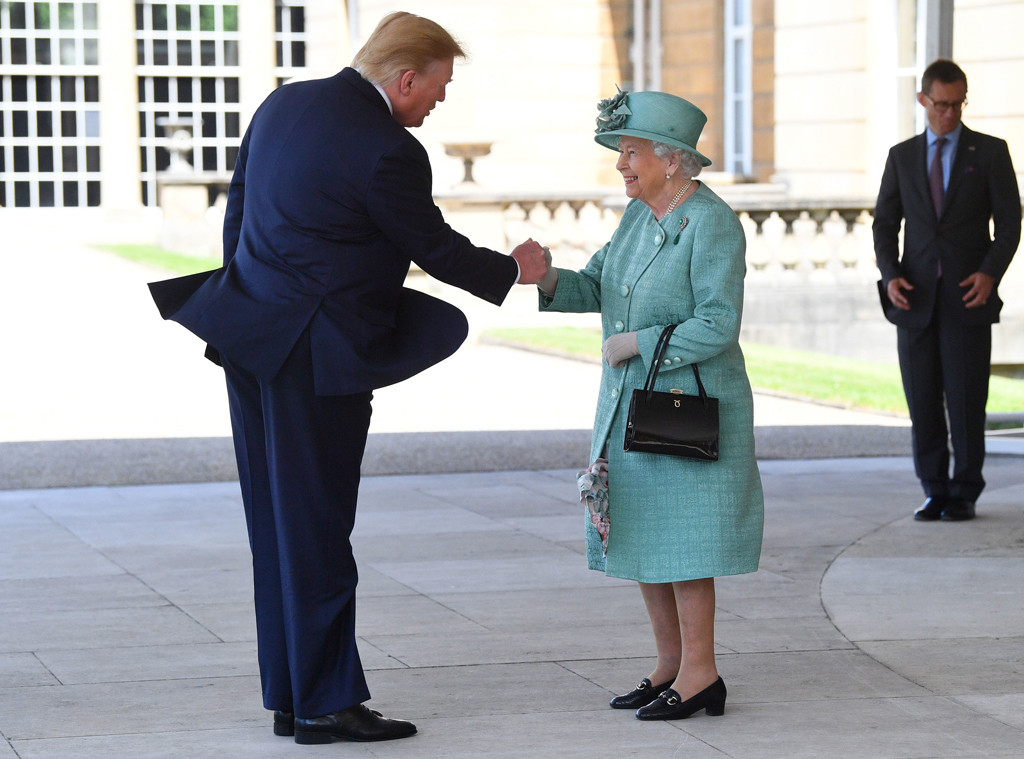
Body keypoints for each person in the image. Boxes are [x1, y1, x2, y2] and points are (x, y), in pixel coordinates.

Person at [148, 12, 547, 745]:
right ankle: (327, 702)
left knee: (276, 526)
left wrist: (249, 304)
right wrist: (514, 270)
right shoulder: (387, 149)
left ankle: (292, 692)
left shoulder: (283, 103)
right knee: (320, 528)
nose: (438, 103)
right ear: (405, 78)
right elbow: (432, 245)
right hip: (317, 360)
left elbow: (236, 222)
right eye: (438, 87)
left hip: (250, 338)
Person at [535, 89, 763, 720]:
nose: (621, 165)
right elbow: (597, 285)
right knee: (644, 536)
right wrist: (549, 277)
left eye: (630, 152)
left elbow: (719, 324)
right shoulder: (637, 218)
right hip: (631, 405)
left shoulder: (713, 223)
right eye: (621, 152)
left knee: (687, 546)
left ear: (672, 159)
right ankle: (669, 666)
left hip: (688, 406)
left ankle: (702, 673)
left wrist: (640, 343)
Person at [873, 59, 1020, 523]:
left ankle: (965, 492)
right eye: (941, 105)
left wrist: (989, 273)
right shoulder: (902, 156)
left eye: (958, 105)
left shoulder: (991, 152)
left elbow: (1011, 223)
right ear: (923, 101)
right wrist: (891, 272)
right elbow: (884, 224)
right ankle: (935, 489)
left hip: (967, 298)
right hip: (913, 299)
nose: (950, 114)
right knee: (923, 401)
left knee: (965, 401)